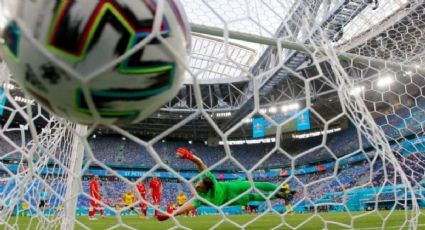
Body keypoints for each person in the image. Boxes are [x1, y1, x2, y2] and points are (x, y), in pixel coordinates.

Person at [157, 147, 296, 221]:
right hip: (233, 188)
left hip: (231, 198)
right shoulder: (209, 180)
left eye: (199, 184)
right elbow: (200, 162)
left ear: (205, 188)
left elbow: (187, 207)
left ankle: (281, 193)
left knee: (255, 193)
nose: (197, 184)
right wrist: (189, 156)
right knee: (256, 188)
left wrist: (173, 214)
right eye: (199, 183)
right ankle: (281, 192)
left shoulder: (205, 198)